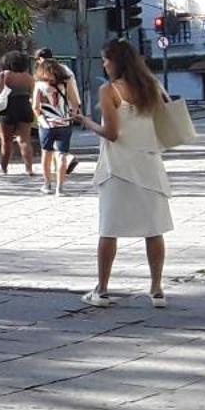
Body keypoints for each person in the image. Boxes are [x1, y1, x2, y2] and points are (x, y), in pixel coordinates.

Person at [75, 40, 172, 308]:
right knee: (154, 230)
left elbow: (112, 134)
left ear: (116, 62)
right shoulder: (152, 87)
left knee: (109, 229)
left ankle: (102, 289)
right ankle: (156, 289)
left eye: (106, 60)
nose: (104, 65)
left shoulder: (109, 90)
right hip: (149, 164)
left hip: (118, 167)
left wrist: (86, 121)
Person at [35, 49, 83, 178]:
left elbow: (36, 104)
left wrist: (39, 117)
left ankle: (50, 180)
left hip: (49, 118)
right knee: (60, 148)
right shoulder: (65, 69)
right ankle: (60, 173)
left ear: (40, 58)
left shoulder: (43, 75)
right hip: (66, 113)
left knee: (47, 150)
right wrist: (75, 109)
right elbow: (73, 90)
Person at [0, 51, 37, 175]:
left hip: (8, 108)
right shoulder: (29, 77)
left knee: (6, 141)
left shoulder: (5, 74)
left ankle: (4, 168)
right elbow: (33, 93)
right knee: (25, 140)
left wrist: (0, 78)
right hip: (25, 107)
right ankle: (29, 168)